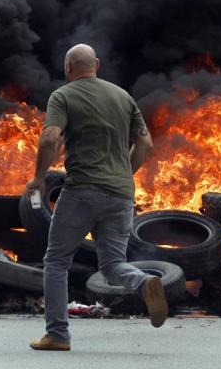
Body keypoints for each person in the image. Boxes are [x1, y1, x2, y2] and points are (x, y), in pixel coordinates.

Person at [27, 44, 166, 351]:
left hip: (82, 191)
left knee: (56, 262)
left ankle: (57, 335)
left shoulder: (63, 96)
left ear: (68, 67)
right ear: (97, 65)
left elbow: (50, 138)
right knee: (114, 264)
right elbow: (145, 143)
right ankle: (143, 282)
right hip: (121, 195)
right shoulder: (123, 96)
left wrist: (38, 178)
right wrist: (124, 173)